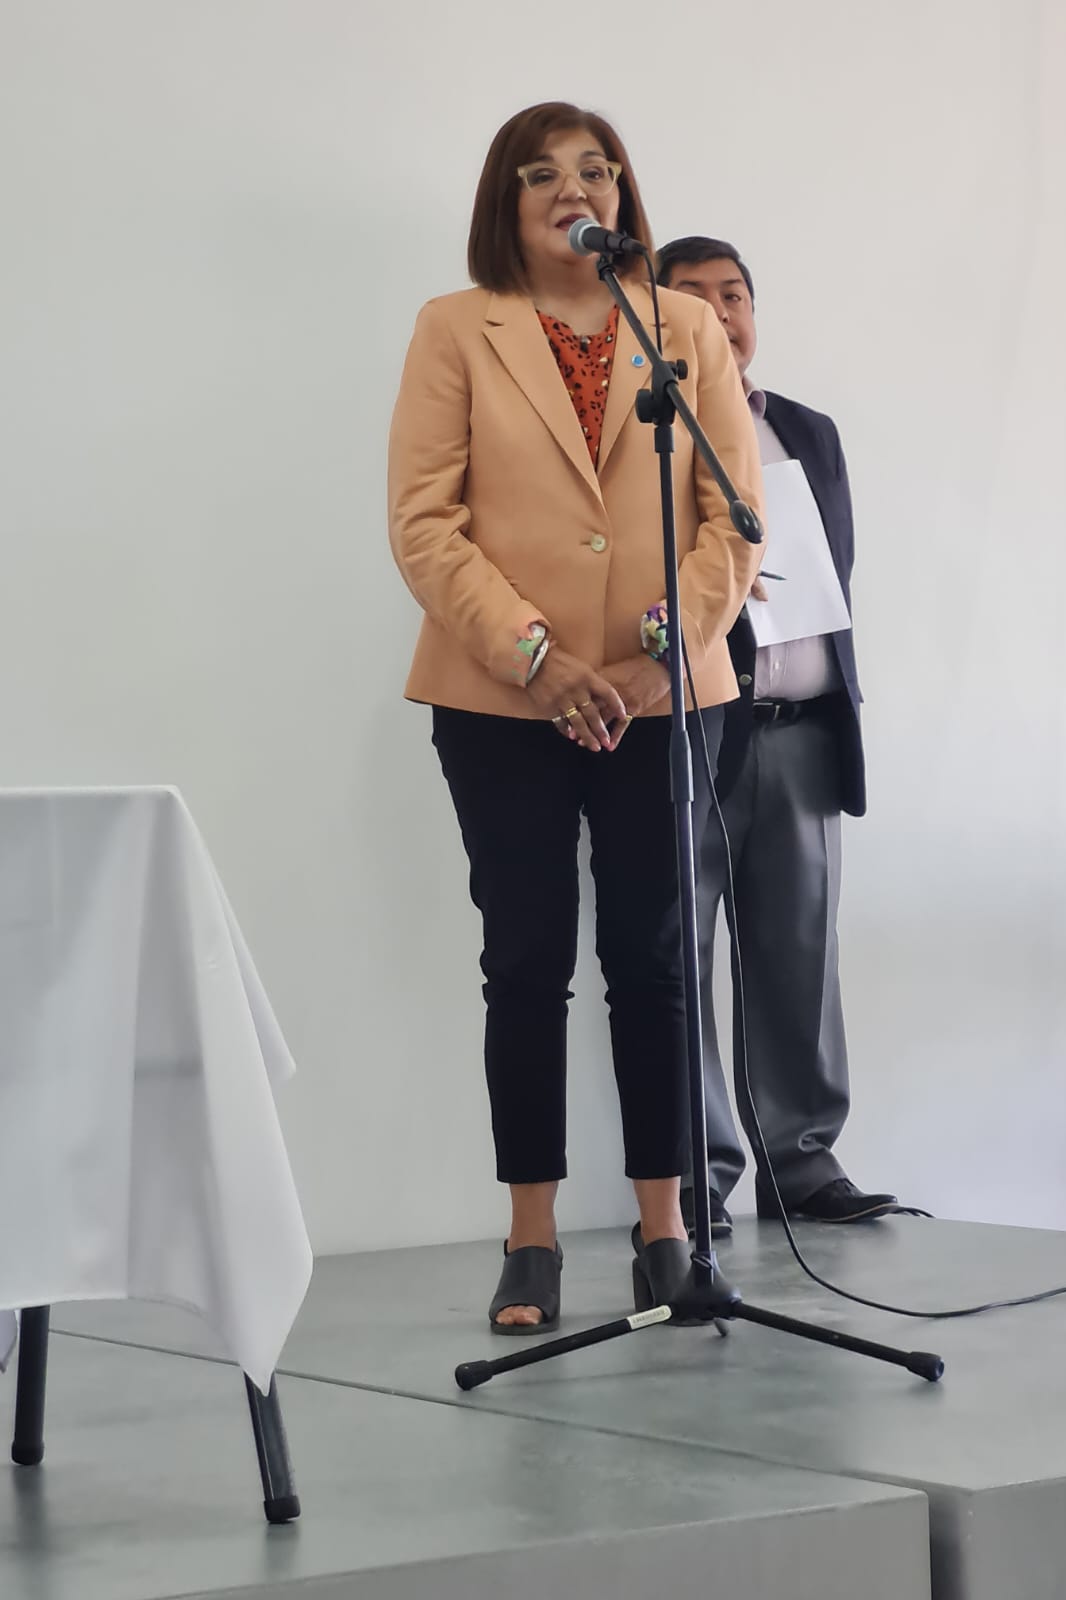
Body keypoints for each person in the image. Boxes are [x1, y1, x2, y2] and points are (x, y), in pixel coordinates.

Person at [388, 114, 762, 1332]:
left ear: (623, 195)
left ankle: (666, 1230)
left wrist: (664, 657)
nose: (572, 188)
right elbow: (424, 522)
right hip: (503, 700)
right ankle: (532, 1238)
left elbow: (732, 515)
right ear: (504, 200)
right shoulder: (457, 327)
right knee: (526, 960)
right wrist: (537, 659)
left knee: (654, 960)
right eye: (541, 173)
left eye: (594, 170)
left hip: (663, 696)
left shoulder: (681, 324)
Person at [656, 236, 898, 1233]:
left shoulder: (807, 430)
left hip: (801, 734)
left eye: (736, 295)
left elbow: (833, 572)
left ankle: (802, 1164)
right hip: (688, 734)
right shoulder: (644, 433)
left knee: (799, 953)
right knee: (675, 960)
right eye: (696, 297)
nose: (723, 314)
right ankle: (692, 1181)